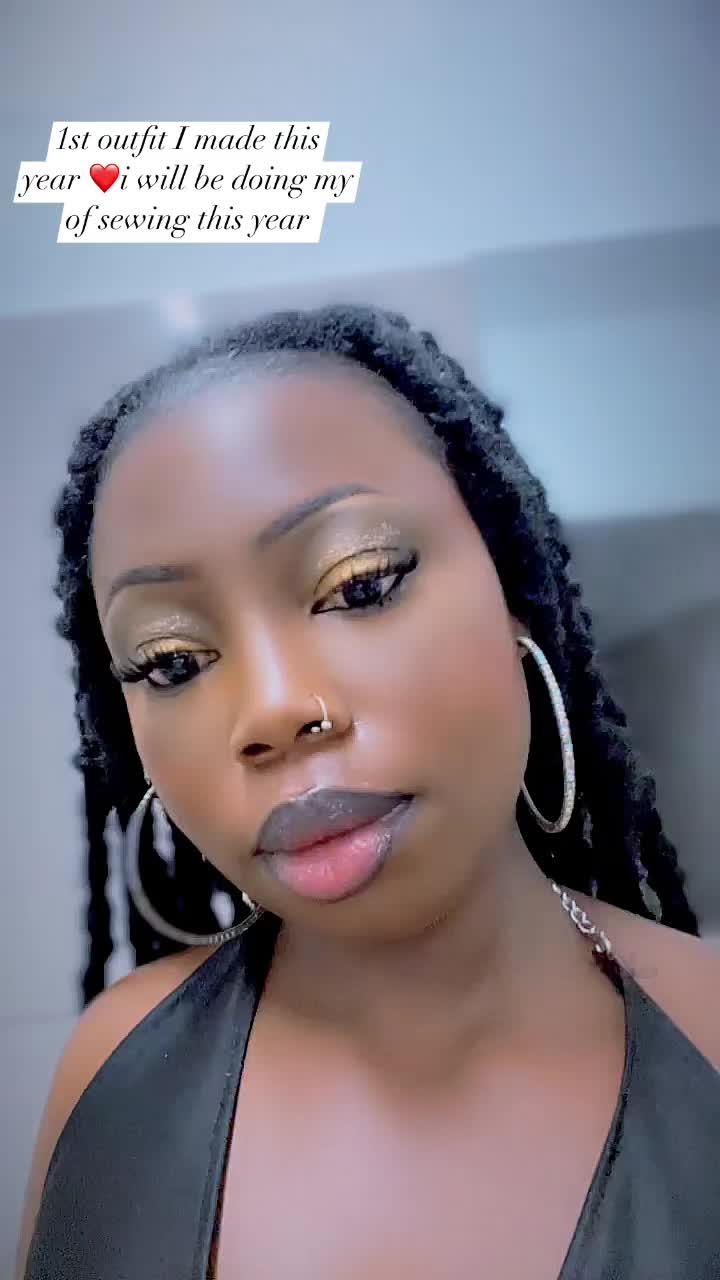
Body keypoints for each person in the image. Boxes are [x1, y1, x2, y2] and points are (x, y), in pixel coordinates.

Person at [16, 304, 720, 1280]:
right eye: (172, 661)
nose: (271, 709)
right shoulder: (114, 1072)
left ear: (513, 594)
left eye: (359, 584)